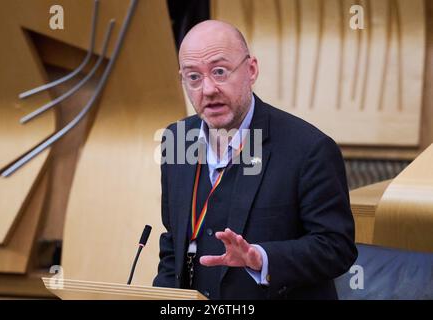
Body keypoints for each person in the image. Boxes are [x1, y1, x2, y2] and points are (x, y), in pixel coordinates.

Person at [153, 20, 357, 300]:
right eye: (194, 77)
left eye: (220, 71)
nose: (208, 89)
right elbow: (173, 242)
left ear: (251, 70)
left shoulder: (309, 149)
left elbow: (336, 248)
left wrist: (260, 258)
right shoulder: (176, 139)